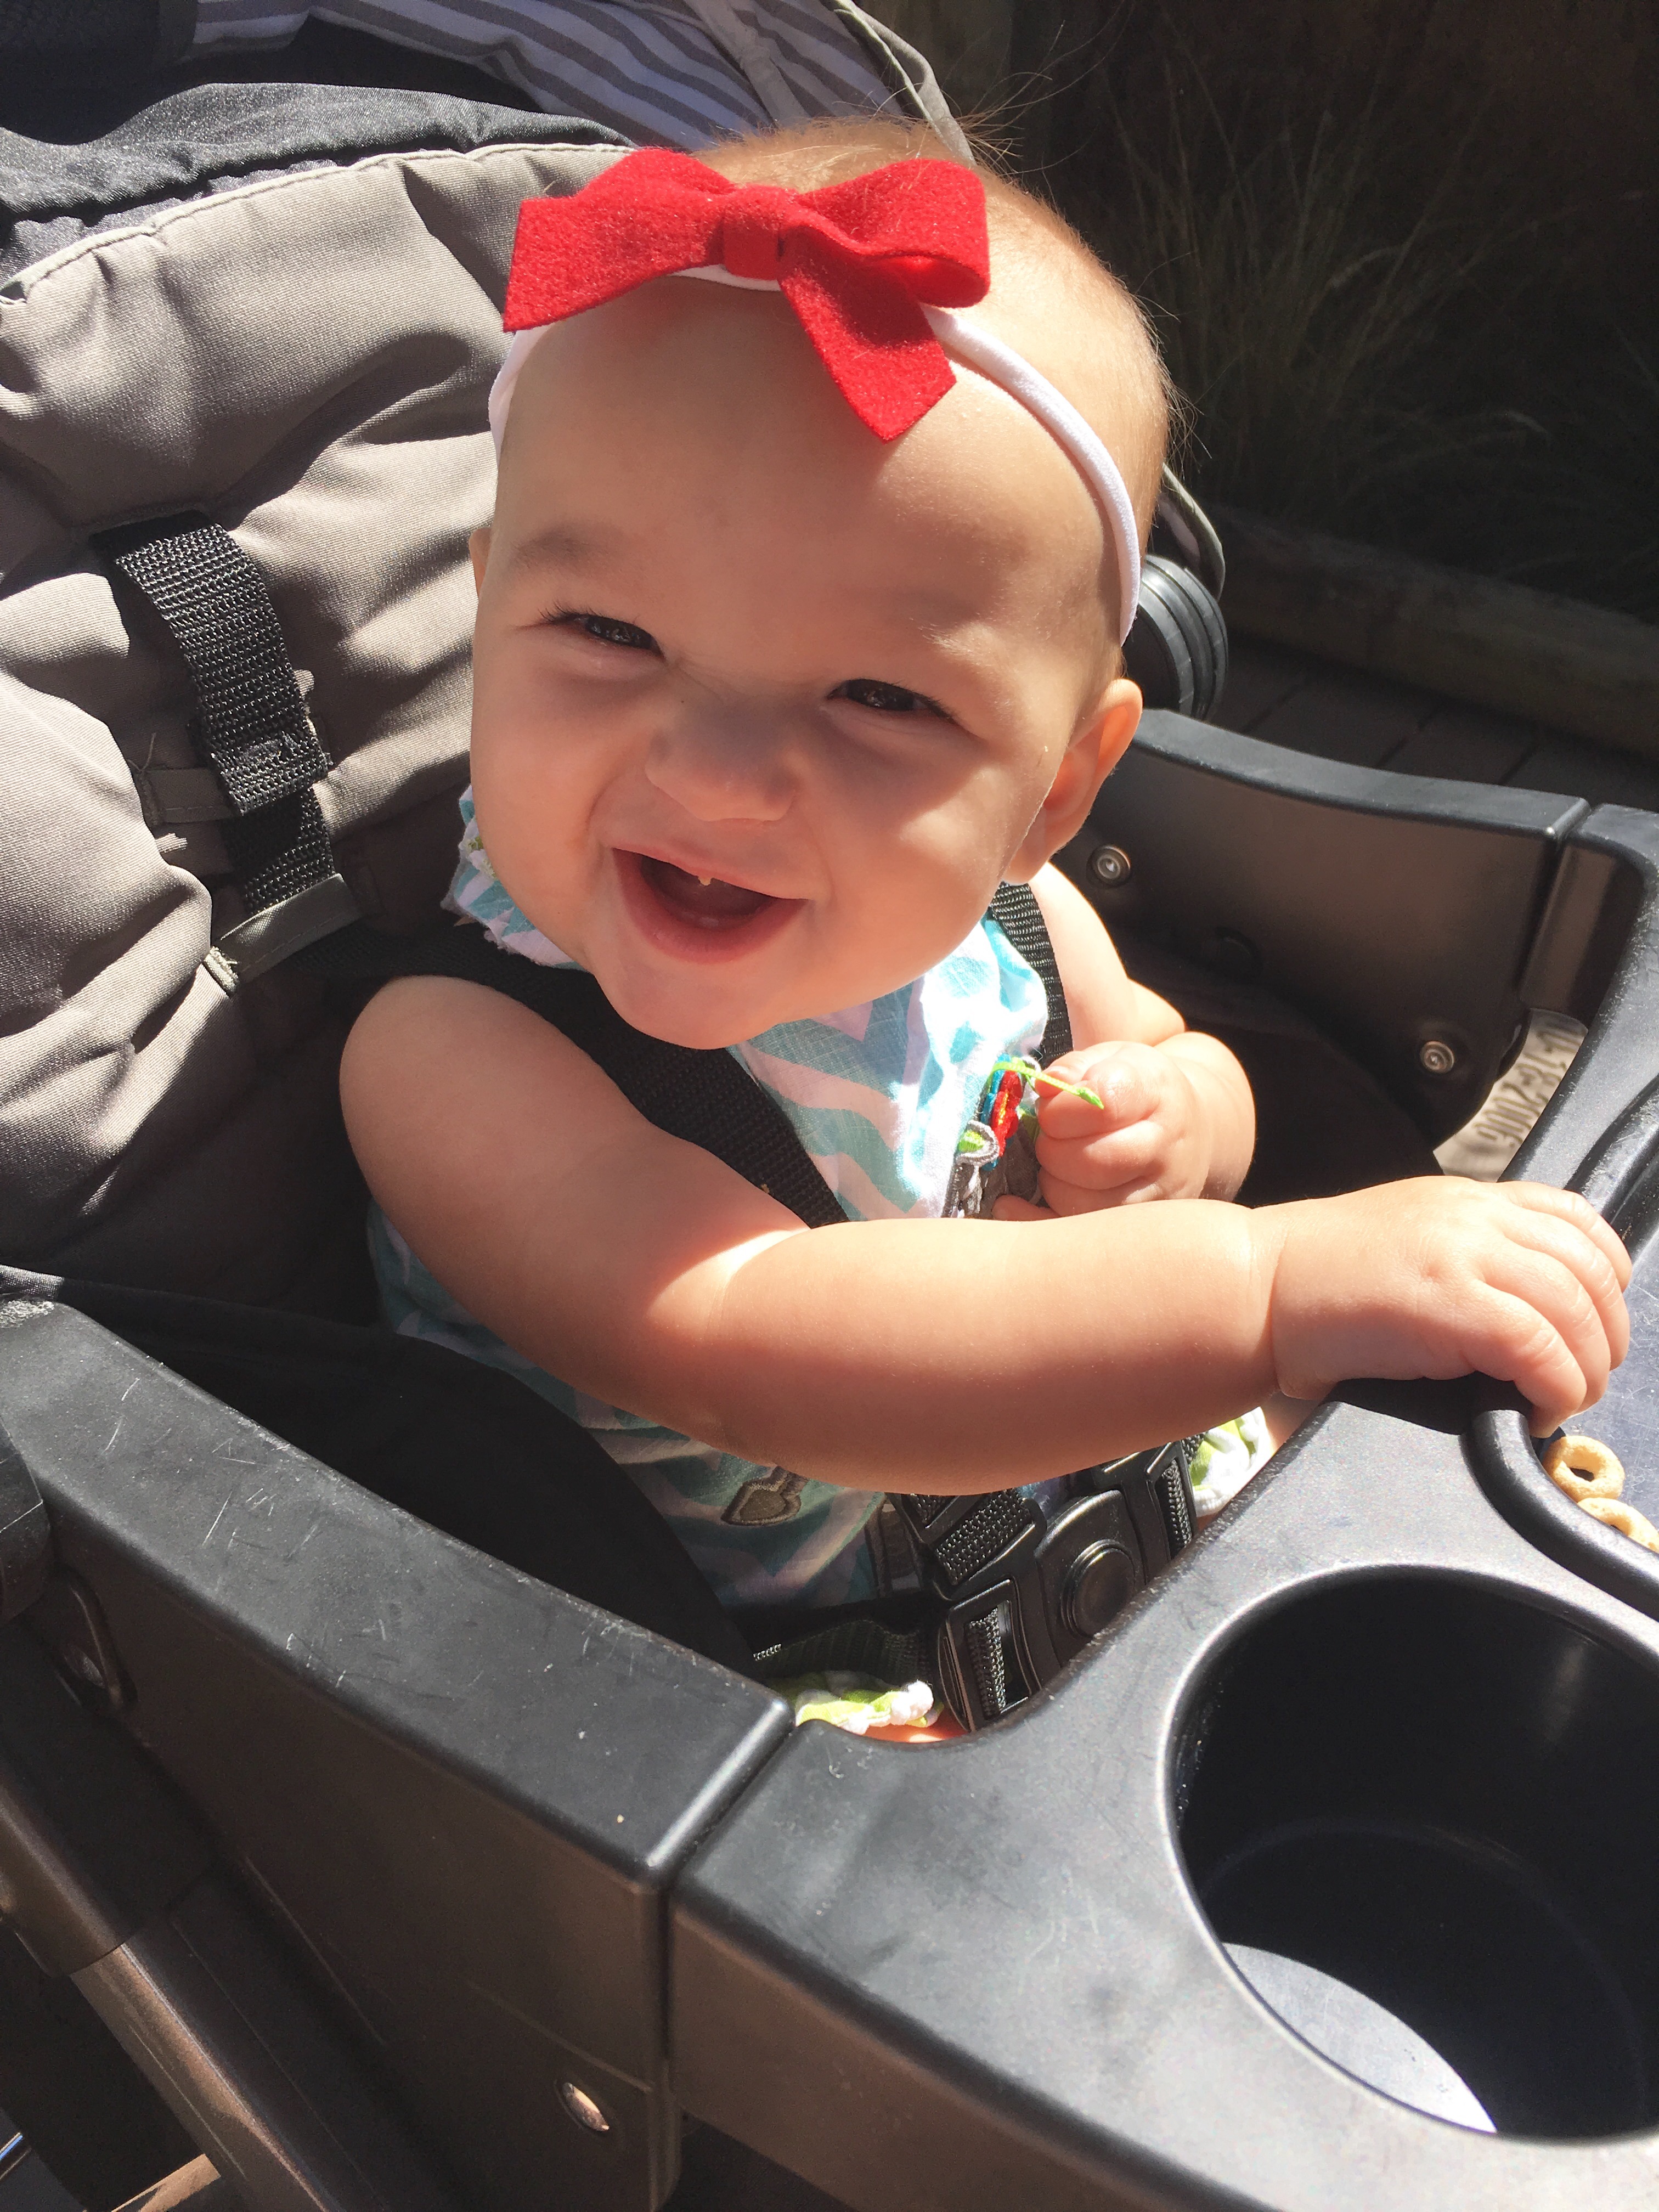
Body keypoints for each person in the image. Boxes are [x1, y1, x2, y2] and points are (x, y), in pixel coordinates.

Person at [340, 120, 1629, 1660]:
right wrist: (1267, 1284)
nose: (720, 777)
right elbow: (754, 1340)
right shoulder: (453, 1057)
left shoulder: (1014, 924)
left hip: (1096, 1496)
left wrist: (1177, 1123)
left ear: (1055, 793)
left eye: (883, 699)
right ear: (485, 611)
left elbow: (1172, 1050)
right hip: (768, 1675)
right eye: (610, 633)